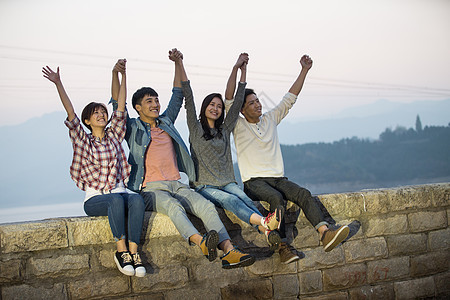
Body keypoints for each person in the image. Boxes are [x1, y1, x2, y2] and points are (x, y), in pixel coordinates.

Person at [109, 49, 255, 269]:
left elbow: (178, 94)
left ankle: (229, 251)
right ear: (138, 107)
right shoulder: (131, 127)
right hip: (151, 188)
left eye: (157, 100)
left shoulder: (166, 121)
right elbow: (117, 105)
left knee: (206, 206)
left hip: (178, 183)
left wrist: (178, 62)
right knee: (173, 208)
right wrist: (118, 75)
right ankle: (201, 242)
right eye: (150, 101)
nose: (156, 104)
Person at [224, 54, 350, 264]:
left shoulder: (271, 119)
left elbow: (290, 97)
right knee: (276, 199)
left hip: (278, 178)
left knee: (303, 193)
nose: (258, 105)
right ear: (243, 110)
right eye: (252, 103)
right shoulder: (238, 124)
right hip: (254, 182)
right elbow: (229, 99)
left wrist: (304, 70)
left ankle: (324, 233)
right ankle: (283, 247)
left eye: (258, 101)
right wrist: (237, 68)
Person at [42, 60, 146, 277]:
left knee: (136, 199)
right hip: (96, 199)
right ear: (87, 120)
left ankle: (134, 254)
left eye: (103, 112)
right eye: (95, 113)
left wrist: (122, 75)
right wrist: (58, 83)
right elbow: (70, 111)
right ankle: (121, 252)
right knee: (116, 200)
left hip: (120, 192)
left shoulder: (115, 135)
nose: (101, 115)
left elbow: (121, 104)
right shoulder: (82, 141)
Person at [182, 53, 282, 250]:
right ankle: (265, 225)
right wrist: (179, 62)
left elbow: (236, 103)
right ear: (204, 108)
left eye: (219, 107)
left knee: (244, 198)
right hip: (205, 186)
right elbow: (188, 95)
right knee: (230, 201)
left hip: (227, 181)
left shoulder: (224, 130)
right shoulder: (195, 128)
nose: (216, 109)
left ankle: (266, 230)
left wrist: (241, 70)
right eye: (212, 104)